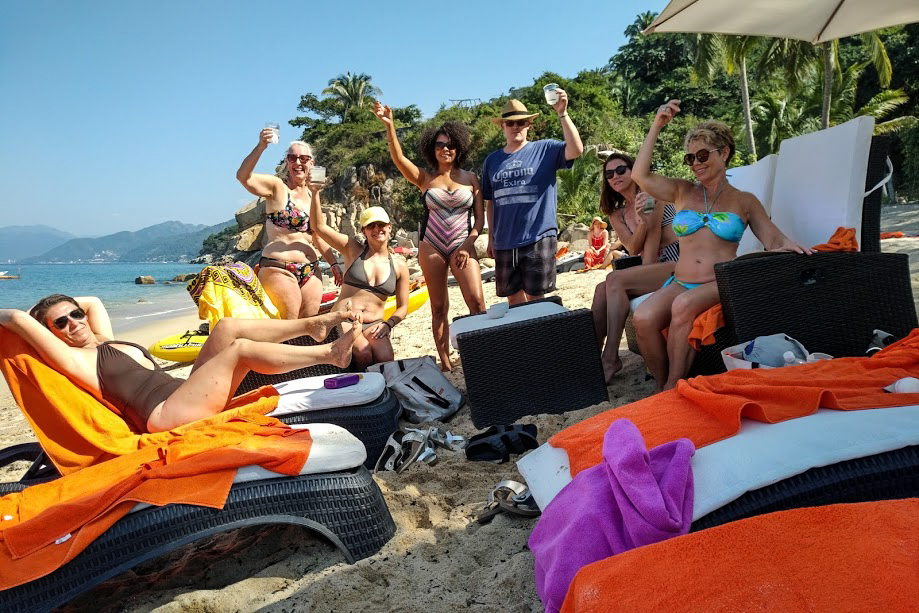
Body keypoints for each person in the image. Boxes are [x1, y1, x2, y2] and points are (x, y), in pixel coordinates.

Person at [631, 100, 810, 391]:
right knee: (643, 318)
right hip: (681, 281)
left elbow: (774, 240)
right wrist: (657, 126)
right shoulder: (682, 191)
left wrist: (798, 250)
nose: (696, 163)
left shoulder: (744, 201)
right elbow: (640, 176)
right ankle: (664, 386)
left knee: (683, 306)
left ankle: (672, 386)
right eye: (690, 158)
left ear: (724, 153)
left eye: (702, 155)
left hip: (719, 282)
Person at [0, 295, 361, 433]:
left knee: (227, 327)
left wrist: (57, 306)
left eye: (75, 315)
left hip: (182, 391)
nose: (74, 323)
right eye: (60, 323)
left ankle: (312, 326)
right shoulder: (75, 360)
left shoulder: (105, 341)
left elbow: (93, 300)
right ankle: (330, 354)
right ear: (50, 333)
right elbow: (16, 318)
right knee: (239, 350)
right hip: (165, 415)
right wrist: (36, 317)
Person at [374, 103, 485, 371]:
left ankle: (481, 354)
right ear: (432, 149)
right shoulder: (425, 178)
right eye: (439, 145)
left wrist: (468, 244)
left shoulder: (471, 178)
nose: (445, 149)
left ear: (459, 148)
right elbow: (399, 159)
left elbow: (480, 220)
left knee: (477, 302)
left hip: (462, 244)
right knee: (438, 308)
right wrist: (390, 126)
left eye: (450, 144)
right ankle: (446, 362)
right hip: (432, 246)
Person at [589, 152, 682, 382]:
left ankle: (610, 358)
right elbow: (632, 247)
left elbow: (652, 241)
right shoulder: (617, 213)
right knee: (601, 290)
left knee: (614, 280)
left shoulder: (651, 196)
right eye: (609, 174)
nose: (615, 176)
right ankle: (591, 359)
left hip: (677, 261)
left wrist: (643, 273)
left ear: (633, 171)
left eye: (621, 170)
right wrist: (642, 223)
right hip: (651, 265)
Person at [481, 97, 584, 304]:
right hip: (504, 240)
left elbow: (576, 150)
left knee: (537, 298)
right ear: (502, 126)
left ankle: (543, 327)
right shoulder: (491, 161)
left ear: (529, 125)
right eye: (510, 123)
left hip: (538, 236)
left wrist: (562, 113)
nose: (515, 127)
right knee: (513, 299)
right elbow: (490, 202)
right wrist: (491, 237)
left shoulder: (545, 149)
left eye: (521, 122)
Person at [236, 131, 342, 319]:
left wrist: (333, 263)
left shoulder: (312, 195)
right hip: (279, 268)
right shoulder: (277, 187)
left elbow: (317, 235)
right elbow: (243, 177)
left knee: (308, 324)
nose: (298, 162)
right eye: (292, 158)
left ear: (311, 163)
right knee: (289, 325)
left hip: (311, 271)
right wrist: (261, 146)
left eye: (303, 158)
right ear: (287, 162)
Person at [310, 188, 410, 370]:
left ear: (389, 227)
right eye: (371, 226)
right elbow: (319, 227)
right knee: (363, 352)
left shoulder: (399, 265)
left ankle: (381, 387)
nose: (377, 229)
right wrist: (315, 192)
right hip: (344, 319)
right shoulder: (352, 250)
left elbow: (403, 307)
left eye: (381, 224)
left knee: (386, 358)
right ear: (364, 231)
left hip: (375, 323)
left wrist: (389, 324)